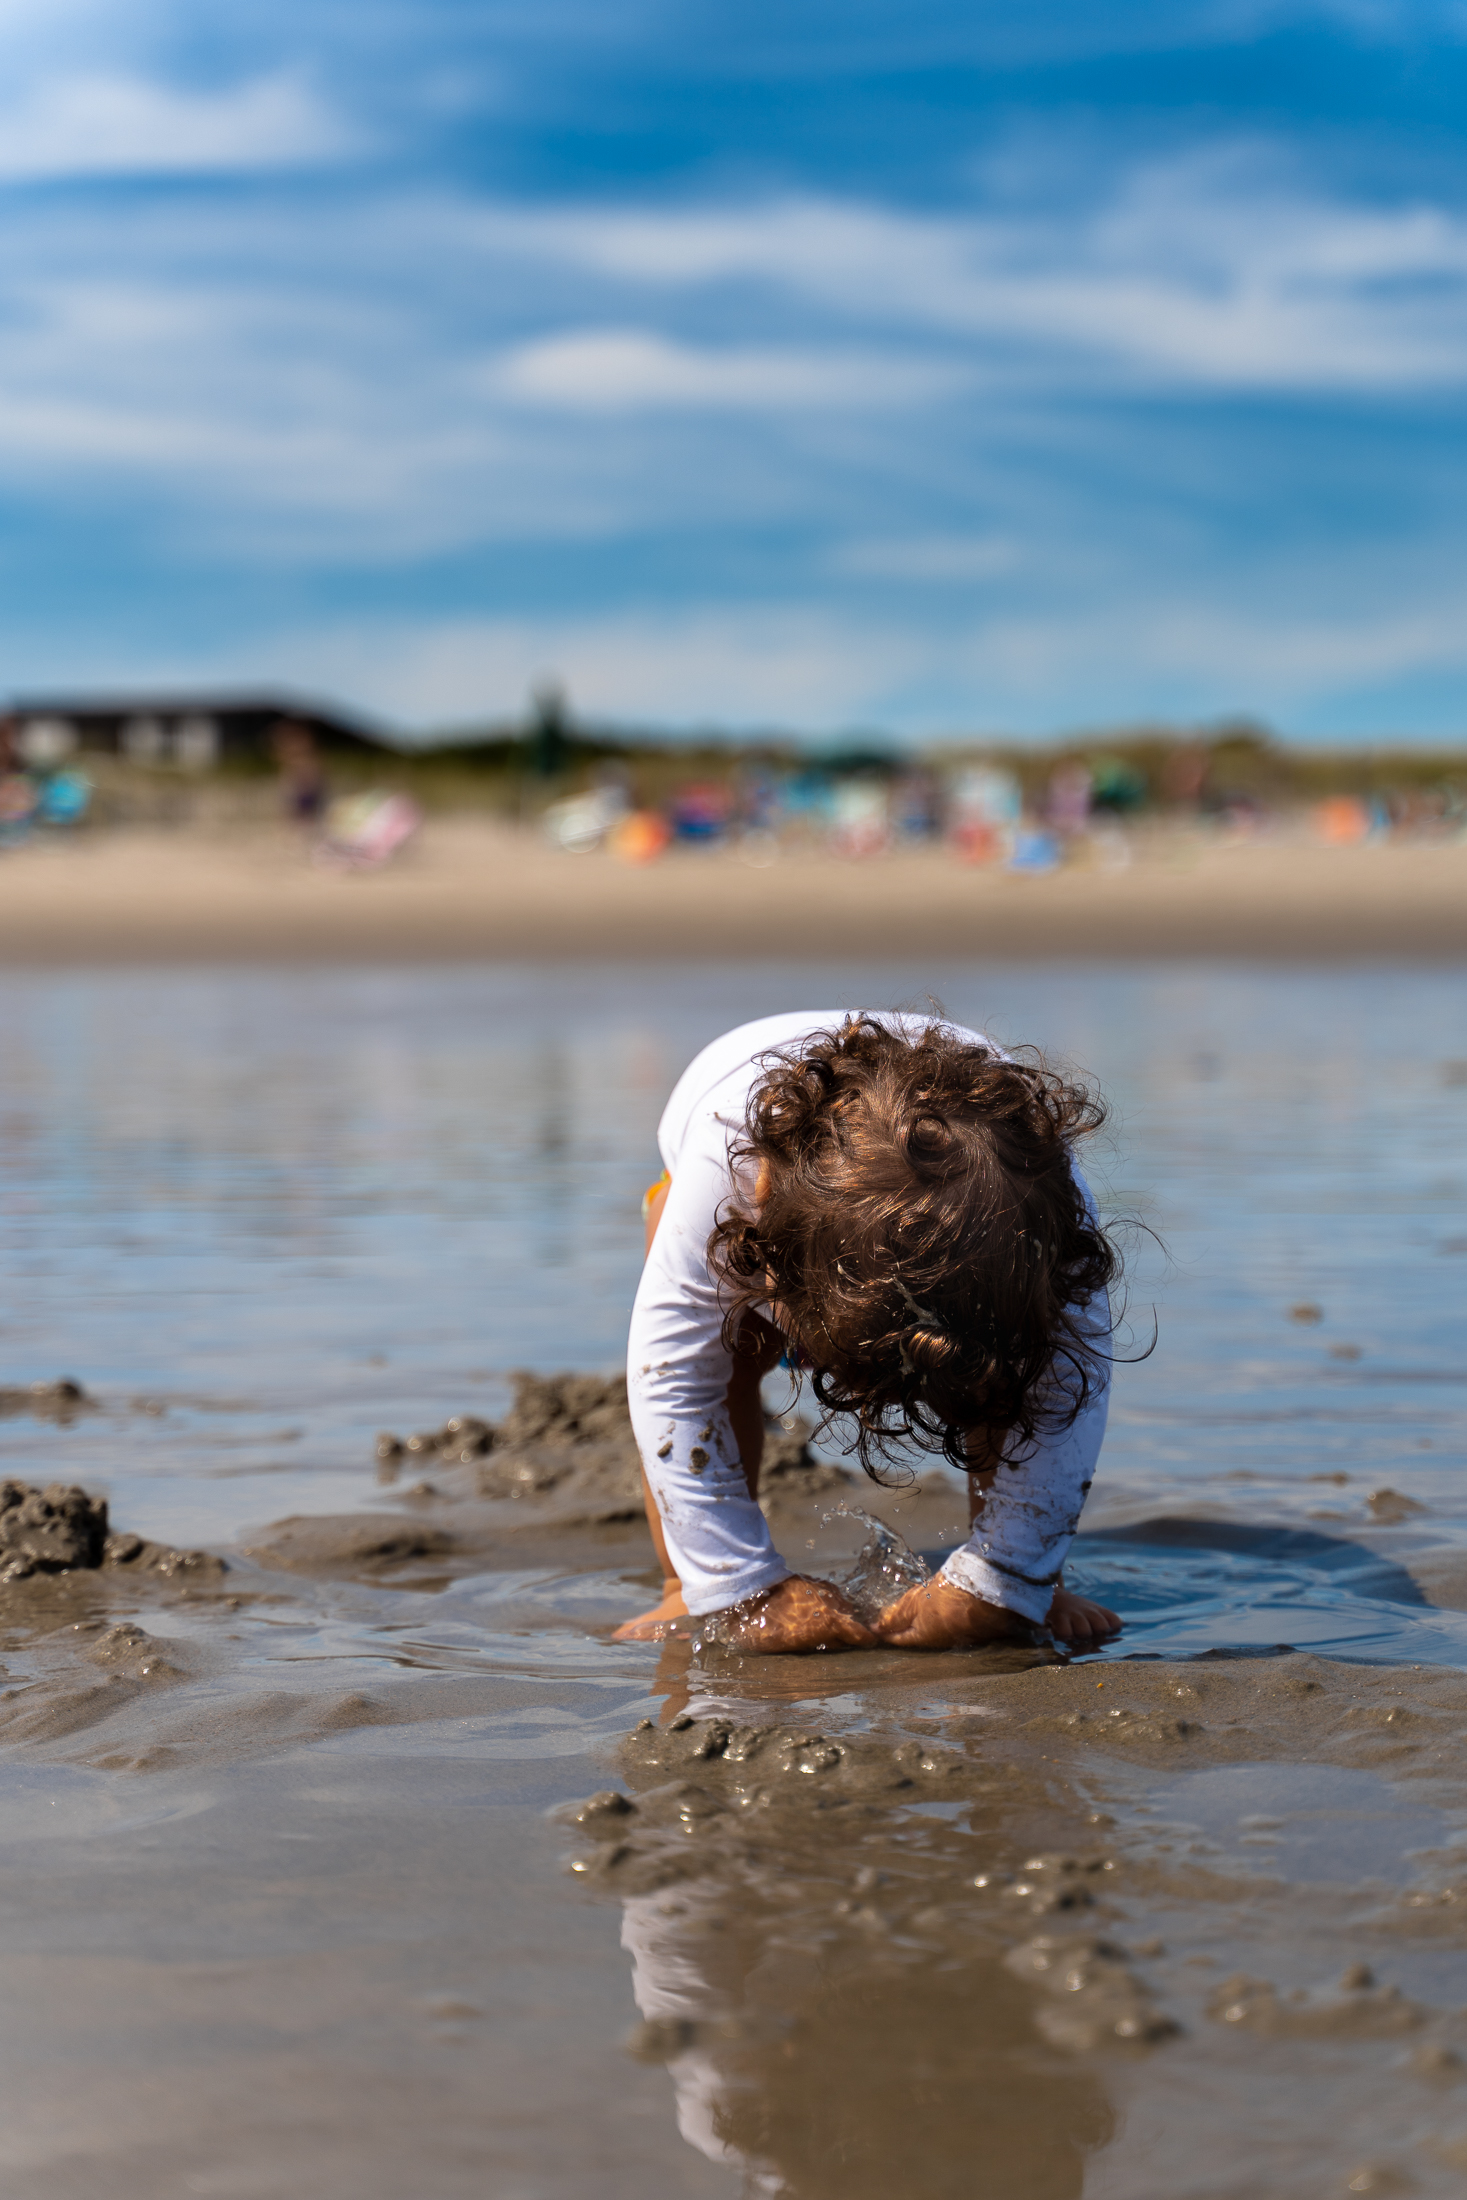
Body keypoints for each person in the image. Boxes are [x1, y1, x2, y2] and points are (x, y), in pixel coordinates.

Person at [614, 1011, 1122, 1654]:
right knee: (730, 1355)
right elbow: (670, 1384)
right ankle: (679, 1582)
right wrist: (739, 1587)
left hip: (977, 1178)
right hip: (723, 1156)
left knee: (1007, 1373)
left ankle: (1018, 1561)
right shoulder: (730, 1175)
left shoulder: (1043, 1210)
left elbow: (1069, 1393)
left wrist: (1010, 1580)